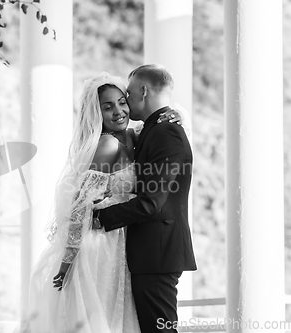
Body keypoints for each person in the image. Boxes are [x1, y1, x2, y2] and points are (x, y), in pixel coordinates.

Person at [27, 72, 183, 333]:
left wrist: (174, 113)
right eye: (107, 106)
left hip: (126, 238)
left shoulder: (134, 136)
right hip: (101, 244)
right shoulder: (107, 145)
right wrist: (67, 261)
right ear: (95, 112)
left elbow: (161, 122)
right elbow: (80, 204)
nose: (118, 111)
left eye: (122, 102)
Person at [97, 64, 197, 333]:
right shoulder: (152, 129)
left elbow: (152, 201)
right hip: (149, 251)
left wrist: (100, 217)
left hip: (158, 252)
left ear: (142, 91)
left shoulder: (165, 132)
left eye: (128, 94)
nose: (126, 103)